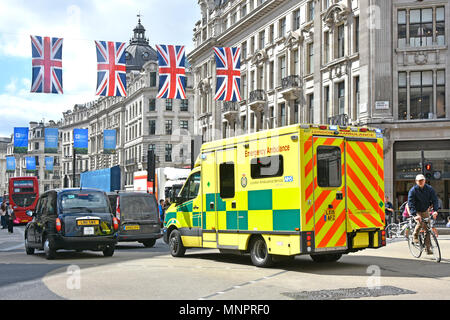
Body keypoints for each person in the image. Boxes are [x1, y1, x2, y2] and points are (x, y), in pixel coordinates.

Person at [408, 174, 439, 254]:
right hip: (417, 210)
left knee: (428, 229)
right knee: (420, 222)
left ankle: (427, 248)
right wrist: (415, 215)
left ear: (425, 180)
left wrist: (435, 210)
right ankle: (415, 235)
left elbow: (435, 199)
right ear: (416, 181)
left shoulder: (429, 189)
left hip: (425, 210)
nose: (421, 182)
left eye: (422, 180)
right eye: (419, 181)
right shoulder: (413, 190)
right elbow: (410, 203)